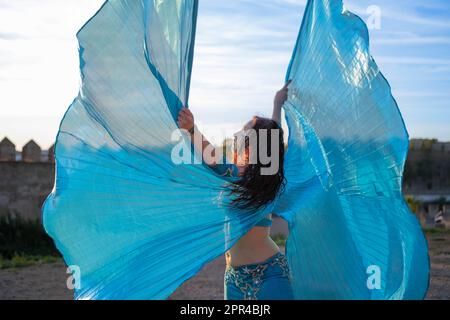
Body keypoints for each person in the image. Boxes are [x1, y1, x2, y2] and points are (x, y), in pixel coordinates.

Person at [177, 82, 294, 300]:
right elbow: (272, 132)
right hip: (234, 279)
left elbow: (272, 136)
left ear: (253, 144)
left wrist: (193, 130)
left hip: (269, 277)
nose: (237, 134)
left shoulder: (266, 178)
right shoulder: (233, 172)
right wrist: (277, 103)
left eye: (243, 131)